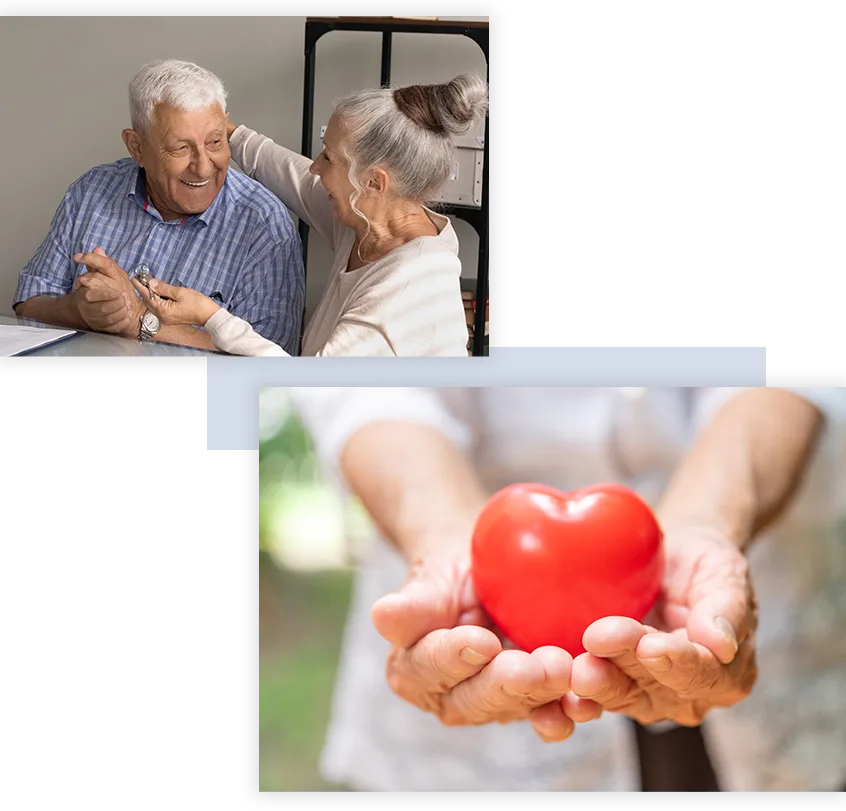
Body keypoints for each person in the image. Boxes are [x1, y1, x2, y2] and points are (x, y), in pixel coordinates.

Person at [284, 387, 846, 792]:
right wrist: (440, 532)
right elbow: (363, 375)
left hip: (762, 625)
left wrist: (713, 519)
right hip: (471, 727)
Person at [125, 74, 489, 357]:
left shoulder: (407, 287)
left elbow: (305, 390)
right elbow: (291, 173)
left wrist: (209, 315)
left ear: (373, 182)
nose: (315, 168)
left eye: (328, 157)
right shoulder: (368, 220)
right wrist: (218, 134)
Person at [13, 59, 304, 352]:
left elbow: (272, 358)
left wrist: (137, 321)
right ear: (136, 147)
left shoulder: (263, 225)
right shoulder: (91, 192)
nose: (203, 168)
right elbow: (29, 302)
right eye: (181, 148)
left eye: (215, 142)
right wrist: (76, 311)